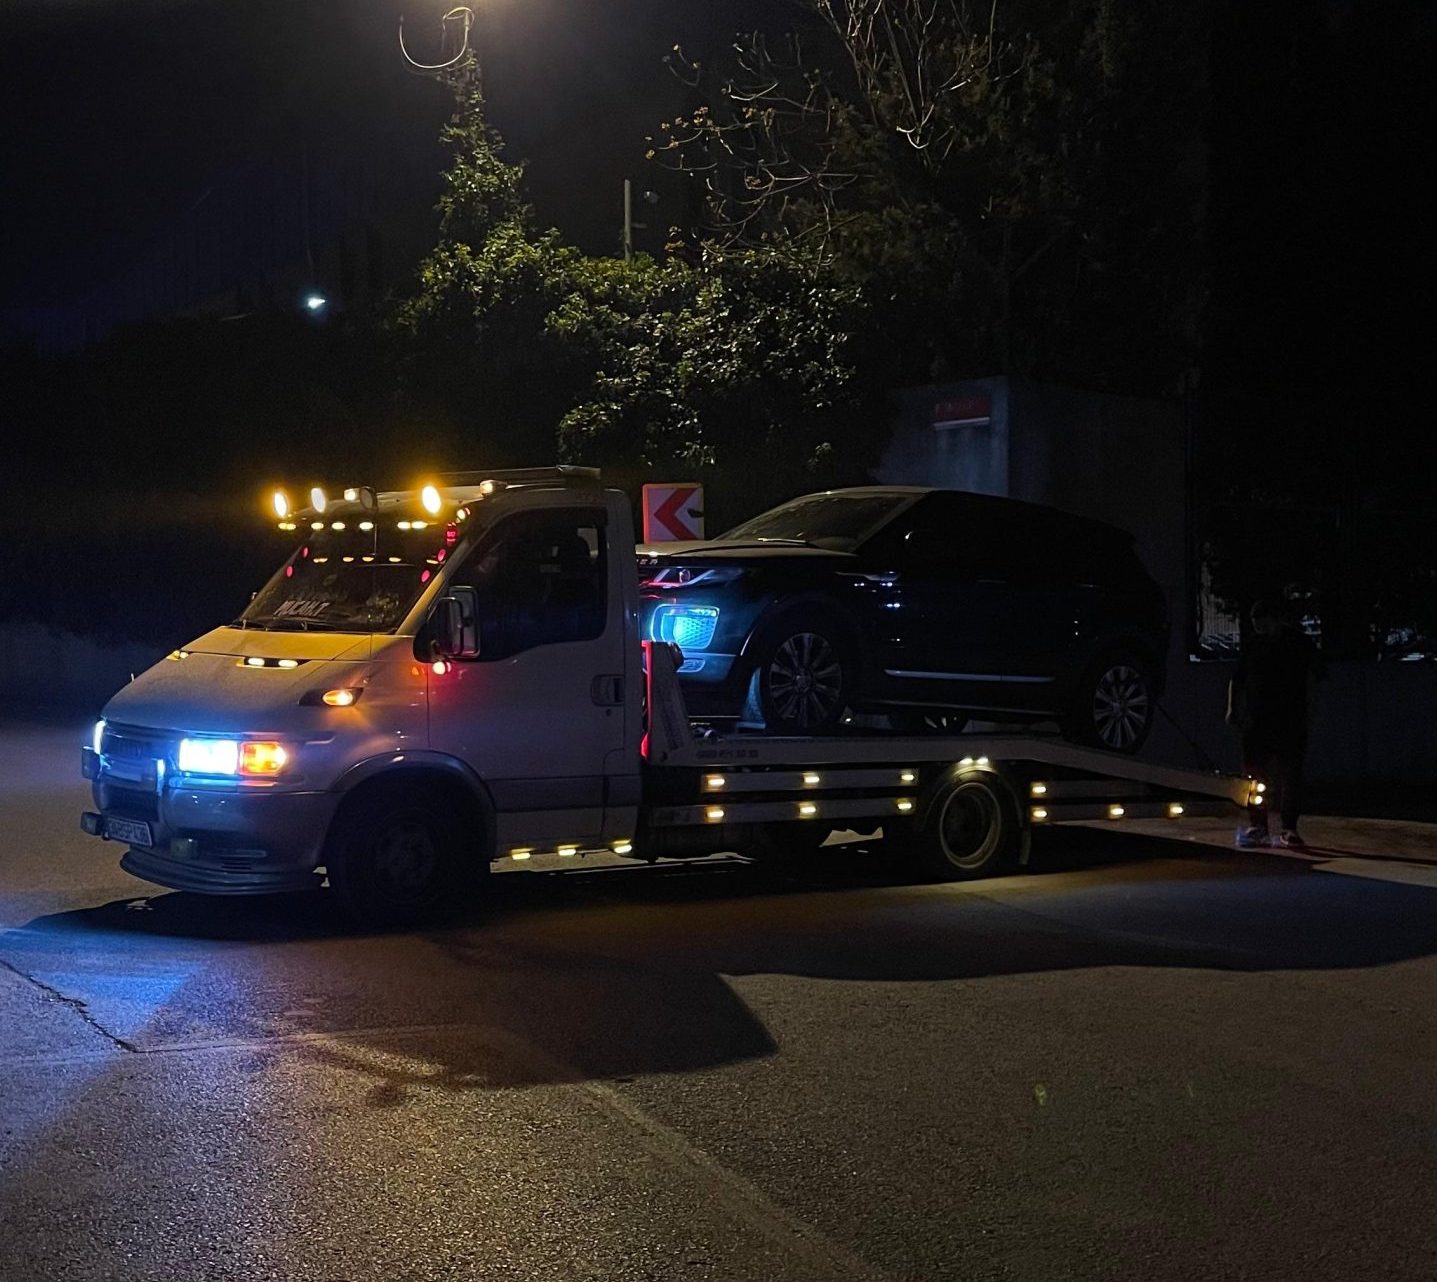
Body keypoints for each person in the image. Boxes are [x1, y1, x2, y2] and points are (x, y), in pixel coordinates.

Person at [1227, 598, 1322, 848]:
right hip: (1257, 720)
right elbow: (1237, 678)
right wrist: (1232, 709)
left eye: (1263, 624)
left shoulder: (1298, 643)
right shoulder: (1253, 644)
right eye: (1256, 625)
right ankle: (1258, 825)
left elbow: (1313, 678)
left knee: (1291, 775)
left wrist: (1310, 712)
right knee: (1254, 775)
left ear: (1275, 619)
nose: (1260, 629)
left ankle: (1289, 827)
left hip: (1290, 719)